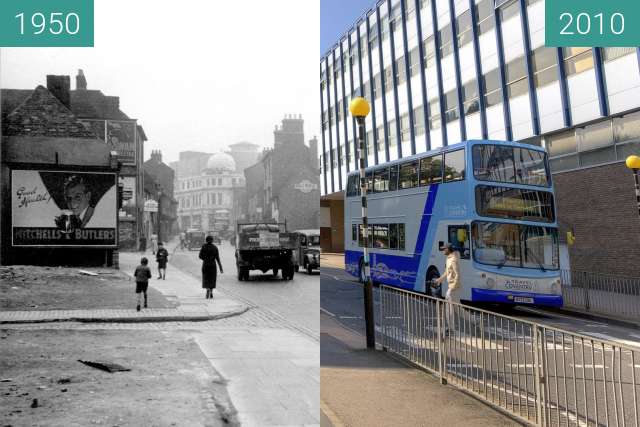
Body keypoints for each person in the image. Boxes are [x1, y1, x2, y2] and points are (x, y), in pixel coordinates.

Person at [433, 243, 461, 334]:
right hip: (452, 286)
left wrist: (453, 286)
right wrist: (439, 280)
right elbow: (446, 272)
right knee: (458, 309)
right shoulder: (448, 259)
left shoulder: (453, 260)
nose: (443, 250)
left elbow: (457, 274)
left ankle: (451, 328)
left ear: (448, 249)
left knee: (448, 307)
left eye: (444, 249)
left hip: (453, 287)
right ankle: (476, 321)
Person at [199, 235, 223, 299]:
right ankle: (211, 291)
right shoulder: (215, 247)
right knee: (212, 279)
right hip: (212, 265)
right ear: (212, 240)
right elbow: (218, 258)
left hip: (205, 265)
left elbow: (200, 256)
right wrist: (221, 268)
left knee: (206, 278)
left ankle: (207, 289)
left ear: (206, 240)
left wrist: (205, 259)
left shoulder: (203, 247)